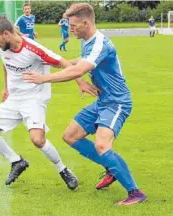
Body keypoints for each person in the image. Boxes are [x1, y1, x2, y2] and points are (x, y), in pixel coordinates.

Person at [23, 3, 147, 206]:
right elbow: (81, 61)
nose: (69, 29)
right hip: (103, 100)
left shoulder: (100, 43)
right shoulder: (87, 41)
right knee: (70, 136)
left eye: (72, 25)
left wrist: (43, 78)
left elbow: (77, 71)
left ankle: (135, 193)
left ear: (85, 22)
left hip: (117, 102)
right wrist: (52, 61)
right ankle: (111, 167)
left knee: (101, 145)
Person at [0, 16, 96, 189]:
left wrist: (81, 82)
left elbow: (63, 62)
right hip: (14, 99)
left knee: (38, 140)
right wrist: (5, 88)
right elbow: (6, 64)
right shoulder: (3, 46)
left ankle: (63, 169)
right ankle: (17, 161)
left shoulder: (33, 49)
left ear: (6, 34)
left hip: (33, 98)